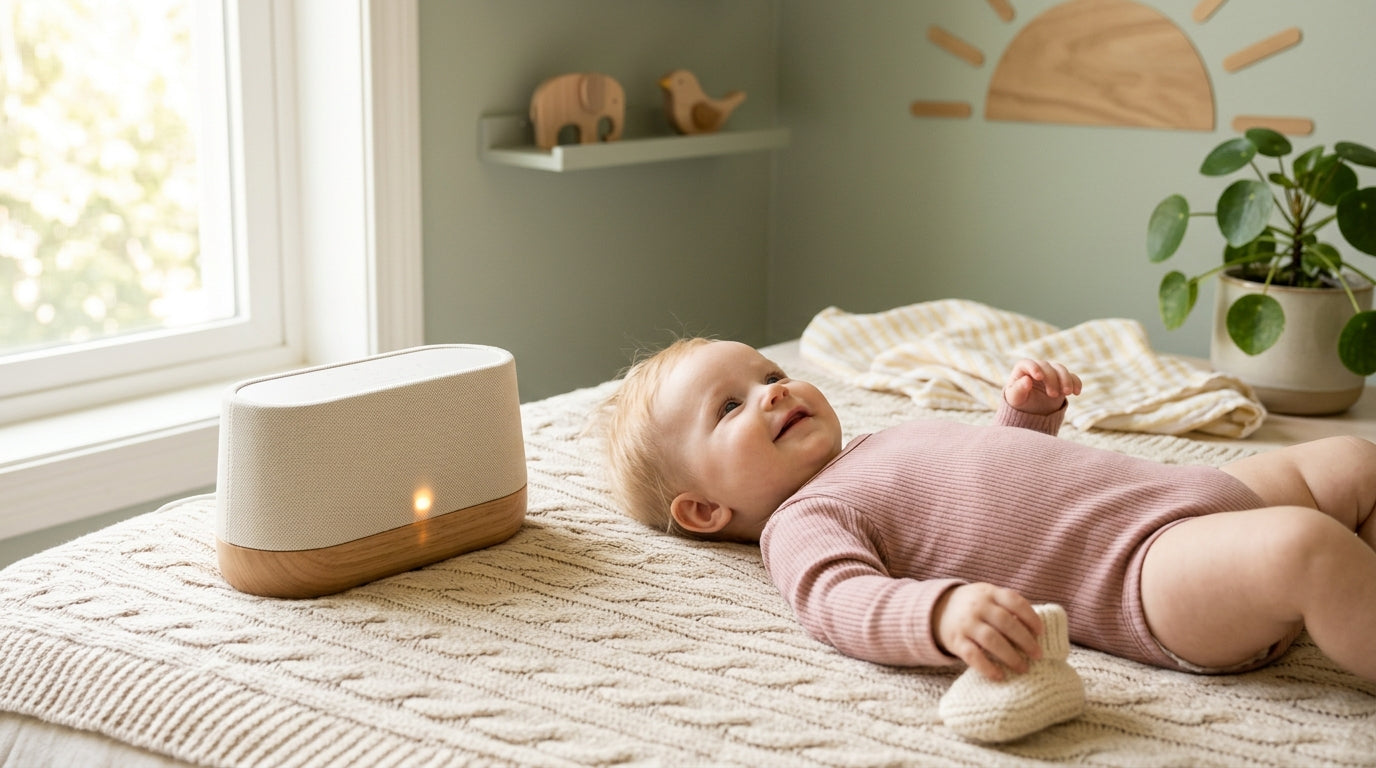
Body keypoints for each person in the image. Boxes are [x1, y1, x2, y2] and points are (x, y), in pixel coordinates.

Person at [597, 337, 1376, 685]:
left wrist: (1026, 417)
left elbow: (998, 492)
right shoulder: (806, 520)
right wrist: (941, 616)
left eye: (768, 371)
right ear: (703, 510)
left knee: (1353, 459)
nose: (772, 390)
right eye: (729, 406)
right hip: (1145, 574)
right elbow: (840, 602)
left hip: (1173, 495)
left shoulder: (878, 441)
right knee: (1304, 548)